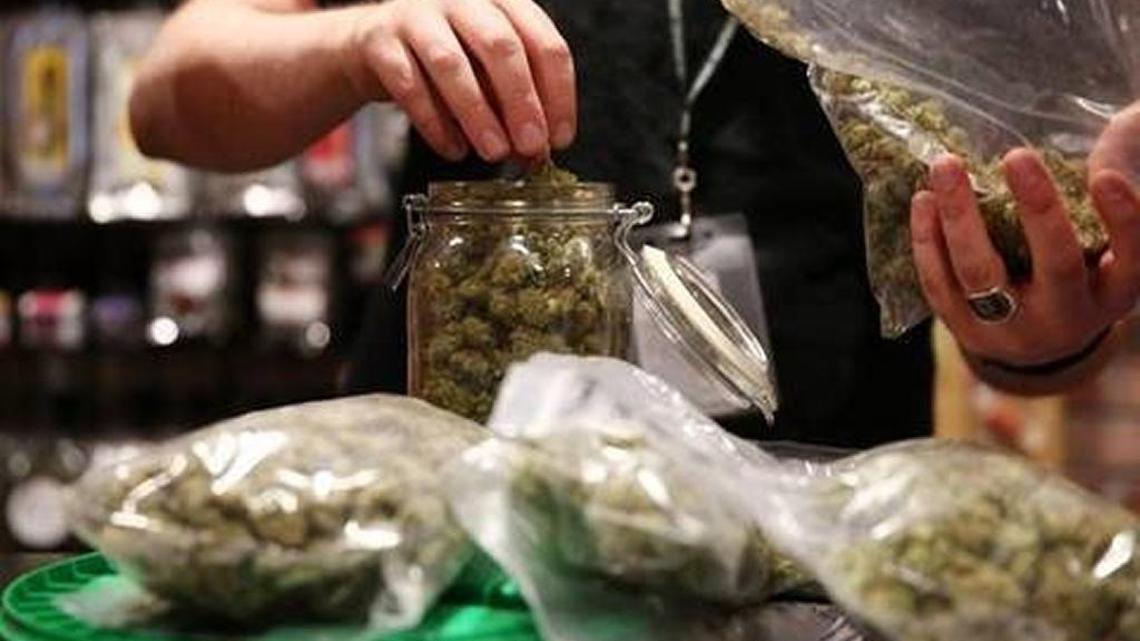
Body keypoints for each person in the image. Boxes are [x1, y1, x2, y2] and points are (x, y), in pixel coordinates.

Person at [129, 0, 1140, 448]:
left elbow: (1031, 314)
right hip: (460, 522)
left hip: (809, 534)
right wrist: (359, 39)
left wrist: (1038, 336)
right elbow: (171, 97)